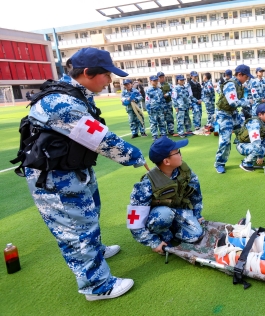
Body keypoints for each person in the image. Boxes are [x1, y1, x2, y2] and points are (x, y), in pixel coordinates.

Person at [17, 47, 147, 300]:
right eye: (107, 74)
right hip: (55, 179)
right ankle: (97, 286)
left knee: (89, 214)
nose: (110, 80)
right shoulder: (62, 103)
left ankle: (95, 250)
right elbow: (101, 139)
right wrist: (135, 157)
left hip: (73, 170)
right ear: (87, 73)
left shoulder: (76, 93)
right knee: (76, 230)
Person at [128, 137, 204, 255]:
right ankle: (163, 235)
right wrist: (153, 242)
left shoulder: (184, 171)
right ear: (167, 161)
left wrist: (197, 214)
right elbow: (134, 222)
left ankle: (173, 229)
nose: (181, 154)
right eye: (177, 152)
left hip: (178, 210)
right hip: (159, 216)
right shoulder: (147, 183)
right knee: (164, 214)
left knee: (196, 235)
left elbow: (195, 194)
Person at [214, 65, 253, 174]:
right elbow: (233, 102)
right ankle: (219, 163)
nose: (247, 79)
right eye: (246, 76)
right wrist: (248, 103)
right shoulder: (230, 84)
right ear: (240, 74)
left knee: (244, 133)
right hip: (223, 114)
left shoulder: (240, 84)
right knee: (225, 140)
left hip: (233, 113)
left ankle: (251, 156)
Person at [235, 104, 265, 172]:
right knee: (261, 149)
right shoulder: (254, 124)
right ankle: (246, 163)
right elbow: (256, 143)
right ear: (260, 114)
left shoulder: (263, 123)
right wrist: (261, 155)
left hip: (252, 144)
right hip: (243, 145)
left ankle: (257, 156)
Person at [145, 75, 167, 140]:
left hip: (160, 109)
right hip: (153, 109)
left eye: (156, 80)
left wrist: (164, 108)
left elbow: (163, 100)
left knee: (162, 122)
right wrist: (149, 110)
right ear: (151, 81)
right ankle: (154, 135)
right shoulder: (148, 90)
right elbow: (147, 100)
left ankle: (163, 134)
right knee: (153, 123)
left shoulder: (159, 90)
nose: (156, 82)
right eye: (154, 81)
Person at [157, 72, 176, 137]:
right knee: (161, 118)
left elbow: (173, 91)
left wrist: (167, 94)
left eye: (163, 77)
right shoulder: (156, 85)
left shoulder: (168, 84)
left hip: (168, 103)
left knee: (169, 117)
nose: (162, 78)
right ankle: (163, 132)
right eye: (160, 77)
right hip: (160, 104)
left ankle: (171, 130)